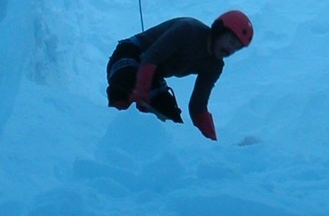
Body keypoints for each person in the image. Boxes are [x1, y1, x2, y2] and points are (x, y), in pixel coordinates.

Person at [106, 10, 253, 140]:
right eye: (231, 41)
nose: (231, 49)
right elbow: (150, 57)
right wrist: (141, 91)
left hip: (151, 73)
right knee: (125, 86)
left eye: (237, 48)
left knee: (172, 124)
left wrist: (210, 142)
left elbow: (198, 107)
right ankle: (115, 128)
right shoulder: (188, 30)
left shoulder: (214, 66)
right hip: (129, 53)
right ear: (219, 31)